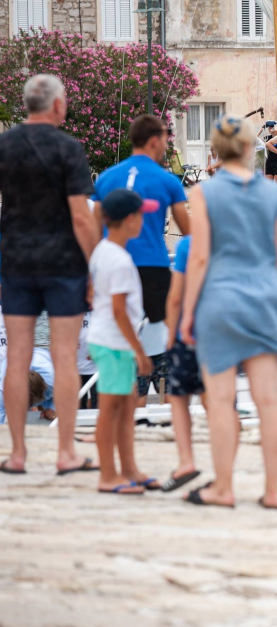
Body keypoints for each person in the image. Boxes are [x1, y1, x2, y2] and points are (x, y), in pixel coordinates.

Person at [180, 114, 277, 510]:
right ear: (250, 149)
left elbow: (198, 259)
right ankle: (272, 491)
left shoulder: (204, 194)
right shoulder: (270, 194)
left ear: (216, 150)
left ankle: (224, 487)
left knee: (221, 400)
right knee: (268, 402)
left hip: (220, 303)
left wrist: (188, 312)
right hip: (265, 300)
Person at [0, 74, 99, 476]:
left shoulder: (5, 145)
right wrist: (94, 268)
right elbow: (80, 215)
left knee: (17, 356)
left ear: (26, 105)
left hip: (16, 262)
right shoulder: (68, 148)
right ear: (57, 106)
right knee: (63, 357)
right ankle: (64, 453)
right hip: (63, 265)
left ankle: (18, 453)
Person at [94, 114, 190, 408]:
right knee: (157, 348)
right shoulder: (167, 179)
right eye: (165, 137)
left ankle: (126, 409)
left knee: (120, 339)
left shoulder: (107, 177)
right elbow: (188, 232)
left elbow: (93, 226)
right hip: (153, 267)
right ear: (153, 140)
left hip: (111, 265)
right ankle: (158, 410)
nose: (166, 143)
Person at [87, 188, 158, 495]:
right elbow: (118, 310)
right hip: (115, 344)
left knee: (127, 407)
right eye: (142, 214)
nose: (144, 219)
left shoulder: (104, 250)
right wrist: (141, 352)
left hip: (111, 341)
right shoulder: (118, 260)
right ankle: (108, 475)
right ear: (130, 219)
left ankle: (128, 469)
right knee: (111, 411)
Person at [160, 234, 203, 493]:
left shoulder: (189, 244)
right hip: (224, 336)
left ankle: (186, 461)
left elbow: (175, 297)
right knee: (220, 406)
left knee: (178, 398)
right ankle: (224, 477)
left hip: (189, 335)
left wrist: (169, 335)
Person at [263, 120, 277, 185]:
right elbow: (256, 141)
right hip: (270, 161)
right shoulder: (268, 137)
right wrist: (261, 129)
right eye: (269, 127)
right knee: (268, 184)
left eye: (271, 127)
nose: (270, 129)